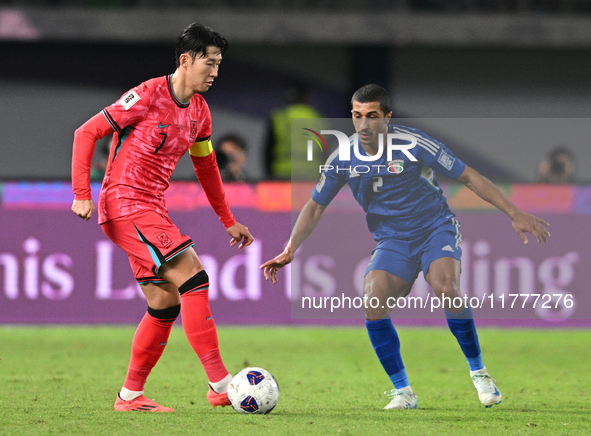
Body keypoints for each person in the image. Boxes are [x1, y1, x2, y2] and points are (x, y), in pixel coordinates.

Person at [260, 84, 550, 410]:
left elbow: (467, 176)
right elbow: (314, 207)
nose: (363, 124)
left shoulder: (413, 143)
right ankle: (403, 392)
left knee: (445, 285)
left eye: (372, 116)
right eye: (356, 116)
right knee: (372, 299)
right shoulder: (343, 156)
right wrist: (290, 249)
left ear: (387, 117)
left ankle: (479, 373)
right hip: (393, 241)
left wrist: (514, 213)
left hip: (434, 229)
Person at [71, 23, 254, 413]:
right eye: (210, 62)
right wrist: (81, 194)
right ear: (186, 60)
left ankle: (130, 396)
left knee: (165, 301)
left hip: (151, 206)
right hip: (125, 202)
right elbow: (86, 133)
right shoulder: (147, 94)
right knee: (194, 276)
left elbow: (207, 169)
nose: (215, 72)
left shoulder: (200, 114)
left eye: (219, 64)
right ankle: (221, 385)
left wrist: (227, 219)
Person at [264, 83, 326, 180]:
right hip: (311, 173)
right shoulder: (318, 118)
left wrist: (268, 175)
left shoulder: (279, 116)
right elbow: (326, 151)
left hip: (283, 172)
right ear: (306, 97)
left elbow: (268, 149)